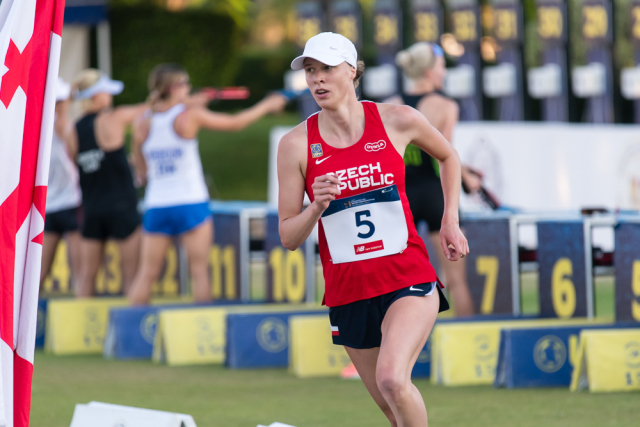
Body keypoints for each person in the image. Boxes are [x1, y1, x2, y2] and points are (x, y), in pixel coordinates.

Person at [277, 33, 468, 426]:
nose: (317, 79)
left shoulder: (397, 119)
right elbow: (288, 237)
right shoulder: (295, 144)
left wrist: (450, 219)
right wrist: (316, 207)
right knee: (390, 407)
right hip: (348, 290)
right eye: (310, 70)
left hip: (406, 276)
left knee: (393, 380)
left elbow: (449, 156)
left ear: (352, 70)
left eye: (327, 68)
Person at [127, 64, 287, 305]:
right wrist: (267, 105)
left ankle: (129, 327)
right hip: (190, 201)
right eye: (185, 84)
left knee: (147, 273)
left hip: (157, 204)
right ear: (174, 88)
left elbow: (142, 170)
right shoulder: (189, 115)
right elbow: (236, 123)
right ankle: (203, 327)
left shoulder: (142, 122)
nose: (189, 88)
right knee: (199, 271)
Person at [395, 42, 478, 316]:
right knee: (456, 282)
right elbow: (444, 154)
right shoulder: (445, 106)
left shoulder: (390, 105)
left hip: (400, 197)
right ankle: (468, 339)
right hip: (436, 194)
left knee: (395, 285)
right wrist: (466, 178)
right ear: (430, 72)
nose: (444, 73)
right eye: (442, 67)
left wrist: (466, 171)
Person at [66, 69, 148, 297]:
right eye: (106, 92)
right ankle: (132, 320)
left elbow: (80, 164)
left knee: (86, 275)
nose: (110, 96)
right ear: (96, 96)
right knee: (131, 273)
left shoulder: (72, 130)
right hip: (122, 205)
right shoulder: (114, 117)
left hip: (92, 207)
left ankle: (80, 319)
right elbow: (149, 109)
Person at [40, 78, 82, 288]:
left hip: (49, 204)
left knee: (39, 272)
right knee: (80, 271)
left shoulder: (38, 126)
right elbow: (77, 157)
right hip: (71, 201)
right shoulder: (64, 124)